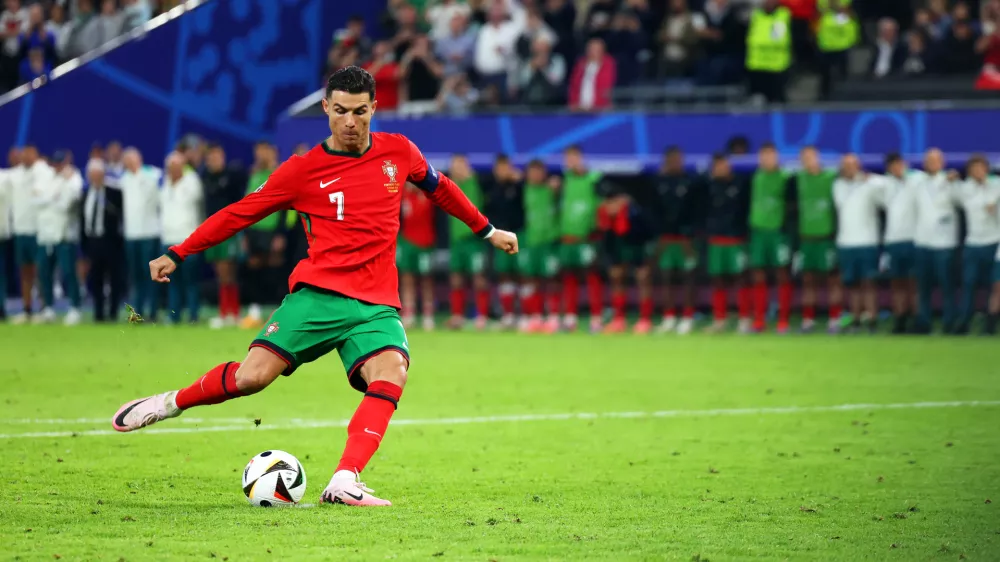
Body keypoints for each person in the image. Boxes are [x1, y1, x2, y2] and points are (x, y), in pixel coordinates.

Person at [112, 66, 518, 508]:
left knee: (392, 371)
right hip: (317, 297)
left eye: (360, 112)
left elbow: (442, 190)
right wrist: (179, 251)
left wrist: (487, 230)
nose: (350, 122)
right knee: (251, 378)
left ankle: (345, 479)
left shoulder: (398, 152)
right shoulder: (302, 171)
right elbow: (240, 213)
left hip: (376, 304)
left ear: (374, 109)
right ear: (325, 108)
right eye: (340, 110)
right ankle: (170, 402)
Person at [241, 142, 294, 329]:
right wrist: (246, 234)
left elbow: (284, 206)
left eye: (264, 152)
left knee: (275, 267)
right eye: (258, 152)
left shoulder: (281, 173)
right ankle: (255, 311)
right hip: (255, 230)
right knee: (254, 268)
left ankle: (278, 312)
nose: (260, 156)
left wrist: (280, 233)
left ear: (272, 153)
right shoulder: (254, 175)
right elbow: (248, 204)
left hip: (272, 229)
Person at [791, 146, 841, 333]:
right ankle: (807, 320)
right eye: (804, 158)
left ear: (818, 157)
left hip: (826, 238)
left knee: (832, 280)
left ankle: (835, 319)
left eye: (811, 157)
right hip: (806, 239)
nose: (808, 161)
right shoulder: (798, 179)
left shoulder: (831, 177)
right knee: (808, 280)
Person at [651, 146, 700, 335]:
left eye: (678, 159)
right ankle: (669, 316)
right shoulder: (659, 183)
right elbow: (655, 211)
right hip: (666, 239)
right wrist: (659, 236)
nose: (675, 163)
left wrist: (689, 235)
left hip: (685, 239)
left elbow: (695, 210)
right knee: (666, 277)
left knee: (688, 277)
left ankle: (688, 316)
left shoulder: (690, 182)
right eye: (671, 160)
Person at [558, 145, 607, 333]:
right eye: (567, 158)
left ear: (581, 158)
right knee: (569, 277)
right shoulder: (564, 181)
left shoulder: (594, 179)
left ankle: (596, 319)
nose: (570, 162)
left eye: (573, 158)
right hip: (567, 238)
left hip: (587, 239)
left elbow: (606, 204)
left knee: (592, 277)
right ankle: (570, 319)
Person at [832, 153, 882, 333]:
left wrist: (869, 178)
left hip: (867, 242)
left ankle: (872, 319)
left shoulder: (871, 184)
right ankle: (855, 319)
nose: (849, 168)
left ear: (859, 166)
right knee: (852, 285)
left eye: (853, 165)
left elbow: (884, 186)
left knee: (868, 283)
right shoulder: (837, 185)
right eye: (846, 165)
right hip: (846, 242)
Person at [912, 148, 959, 334]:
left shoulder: (952, 182)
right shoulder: (917, 182)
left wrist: (952, 181)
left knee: (947, 287)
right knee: (923, 288)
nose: (932, 163)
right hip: (922, 242)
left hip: (944, 244)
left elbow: (962, 200)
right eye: (929, 160)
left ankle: (949, 324)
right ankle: (923, 323)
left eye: (936, 160)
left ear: (942, 162)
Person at [747, 143, 793, 333]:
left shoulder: (786, 178)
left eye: (770, 156)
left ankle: (783, 320)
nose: (767, 160)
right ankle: (759, 319)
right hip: (758, 232)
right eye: (763, 156)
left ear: (777, 157)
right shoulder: (756, 177)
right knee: (758, 275)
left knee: (782, 274)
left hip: (778, 233)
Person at [952, 155, 1000, 334]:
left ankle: (989, 324)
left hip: (993, 242)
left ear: (986, 169)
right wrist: (950, 178)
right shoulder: (963, 189)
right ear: (969, 172)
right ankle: (964, 322)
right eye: (974, 169)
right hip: (972, 243)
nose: (978, 172)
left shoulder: (996, 185)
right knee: (968, 284)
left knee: (993, 286)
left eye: (981, 168)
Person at [703, 153, 751, 333]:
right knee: (717, 280)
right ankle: (719, 319)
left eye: (723, 165)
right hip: (716, 239)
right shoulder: (708, 186)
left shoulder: (741, 184)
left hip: (736, 239)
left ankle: (744, 318)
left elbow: (746, 209)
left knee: (740, 278)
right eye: (716, 166)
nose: (720, 169)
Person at [35, 150, 83, 325]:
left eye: (60, 163)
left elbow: (68, 202)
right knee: (44, 273)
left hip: (64, 235)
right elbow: (36, 200)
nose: (57, 166)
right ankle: (47, 308)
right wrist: (52, 199)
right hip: (45, 235)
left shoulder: (73, 176)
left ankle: (75, 308)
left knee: (69, 273)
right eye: (55, 163)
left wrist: (50, 199)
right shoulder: (44, 177)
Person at [201, 144, 245, 329]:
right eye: (211, 157)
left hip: (230, 230)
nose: (214, 161)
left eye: (217, 157)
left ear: (223, 157)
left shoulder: (232, 176)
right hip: (213, 231)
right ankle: (224, 312)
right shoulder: (205, 178)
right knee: (220, 272)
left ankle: (233, 313)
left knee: (229, 272)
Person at [601, 186, 655, 334]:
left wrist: (645, 260)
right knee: (617, 279)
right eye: (608, 202)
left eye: (614, 201)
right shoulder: (605, 215)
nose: (611, 205)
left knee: (643, 279)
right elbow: (607, 239)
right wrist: (611, 261)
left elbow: (648, 233)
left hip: (637, 249)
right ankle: (619, 319)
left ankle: (645, 320)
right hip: (618, 250)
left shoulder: (635, 213)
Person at [445, 153, 489, 329]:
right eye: (455, 165)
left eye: (461, 165)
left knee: (479, 278)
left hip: (474, 240)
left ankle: (482, 317)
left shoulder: (477, 182)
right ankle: (457, 316)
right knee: (456, 279)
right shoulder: (447, 186)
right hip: (457, 242)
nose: (458, 169)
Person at [159, 151, 203, 324]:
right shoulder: (165, 183)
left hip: (187, 239)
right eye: (170, 167)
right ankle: (174, 315)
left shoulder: (192, 182)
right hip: (168, 239)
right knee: (172, 281)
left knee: (190, 280)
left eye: (176, 166)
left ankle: (193, 315)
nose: (172, 170)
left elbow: (198, 204)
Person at [517, 160, 561, 333]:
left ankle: (554, 317)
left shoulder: (552, 189)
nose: (535, 175)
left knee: (552, 279)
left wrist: (557, 186)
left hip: (549, 242)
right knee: (531, 279)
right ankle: (535, 316)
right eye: (532, 172)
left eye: (538, 172)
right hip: (531, 241)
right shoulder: (524, 189)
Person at [120, 147, 162, 321]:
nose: (129, 163)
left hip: (150, 233)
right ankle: (136, 313)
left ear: (139, 159)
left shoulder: (152, 174)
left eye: (131, 159)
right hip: (132, 234)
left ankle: (152, 311)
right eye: (126, 161)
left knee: (151, 275)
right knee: (136, 275)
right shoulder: (124, 180)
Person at [81, 159, 125, 322]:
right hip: (93, 241)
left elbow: (121, 216)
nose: (95, 178)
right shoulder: (86, 193)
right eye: (92, 175)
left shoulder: (114, 193)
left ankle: (113, 313)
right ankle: (98, 313)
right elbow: (82, 219)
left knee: (114, 278)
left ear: (103, 175)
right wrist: (84, 243)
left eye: (98, 174)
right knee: (96, 278)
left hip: (111, 241)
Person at [484, 154, 524, 330]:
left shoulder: (519, 187)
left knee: (523, 275)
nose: (503, 171)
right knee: (504, 275)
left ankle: (526, 315)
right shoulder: (491, 188)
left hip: (520, 236)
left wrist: (520, 181)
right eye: (499, 167)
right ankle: (507, 314)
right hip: (498, 237)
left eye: (505, 167)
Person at [879, 153, 917, 334]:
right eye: (892, 165)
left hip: (913, 239)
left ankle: (916, 318)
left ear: (904, 164)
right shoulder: (882, 184)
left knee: (913, 282)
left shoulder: (917, 180)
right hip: (893, 240)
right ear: (888, 168)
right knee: (897, 283)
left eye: (899, 164)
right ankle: (899, 319)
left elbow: (940, 177)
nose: (897, 168)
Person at [397, 181, 437, 330]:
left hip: (425, 243)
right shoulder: (403, 193)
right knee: (407, 279)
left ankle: (428, 315)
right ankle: (409, 313)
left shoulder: (428, 193)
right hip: (407, 243)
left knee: (426, 280)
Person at [10, 145, 42, 324]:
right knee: (25, 272)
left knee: (40, 272)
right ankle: (27, 309)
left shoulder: (43, 171)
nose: (27, 157)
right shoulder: (14, 175)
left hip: (37, 231)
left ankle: (45, 308)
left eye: (30, 154)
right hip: (20, 230)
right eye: (24, 155)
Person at [745, 0, 791, 103]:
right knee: (757, 100)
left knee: (776, 101)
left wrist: (761, 43)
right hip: (756, 65)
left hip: (776, 66)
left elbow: (779, 39)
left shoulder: (782, 15)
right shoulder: (755, 15)